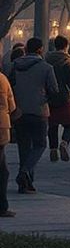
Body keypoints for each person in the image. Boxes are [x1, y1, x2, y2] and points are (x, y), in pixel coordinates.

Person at [9, 36, 60, 193]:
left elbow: (10, 87)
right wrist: (45, 99)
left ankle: (25, 183)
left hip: (19, 112)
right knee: (40, 145)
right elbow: (54, 90)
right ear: (40, 50)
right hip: (39, 111)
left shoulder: (14, 66)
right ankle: (25, 173)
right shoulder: (46, 67)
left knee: (24, 147)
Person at [46, 33, 70, 161]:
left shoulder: (47, 59)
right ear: (66, 46)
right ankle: (64, 143)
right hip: (65, 96)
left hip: (50, 96)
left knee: (52, 125)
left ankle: (53, 149)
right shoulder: (68, 60)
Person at [0, 60, 15, 218]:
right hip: (1, 126)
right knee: (2, 171)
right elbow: (12, 106)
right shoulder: (3, 79)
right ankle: (2, 206)